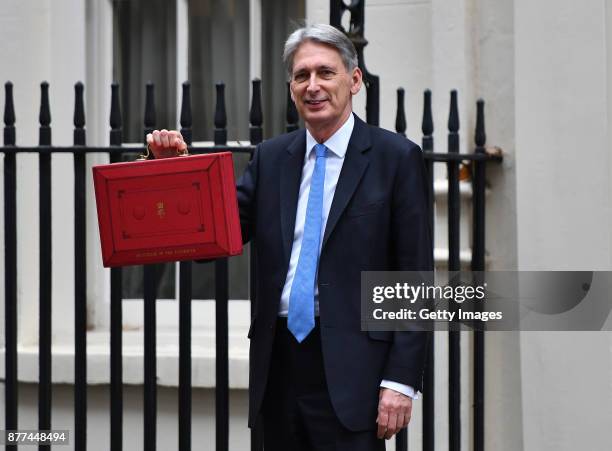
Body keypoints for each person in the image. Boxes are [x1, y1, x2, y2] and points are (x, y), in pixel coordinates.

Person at [147, 23, 432, 451]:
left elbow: (412, 277)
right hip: (277, 366)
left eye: (325, 73)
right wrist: (172, 175)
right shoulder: (271, 159)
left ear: (354, 81)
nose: (312, 86)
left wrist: (400, 381)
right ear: (291, 87)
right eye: (302, 76)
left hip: (353, 372)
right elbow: (212, 240)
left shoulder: (395, 158)